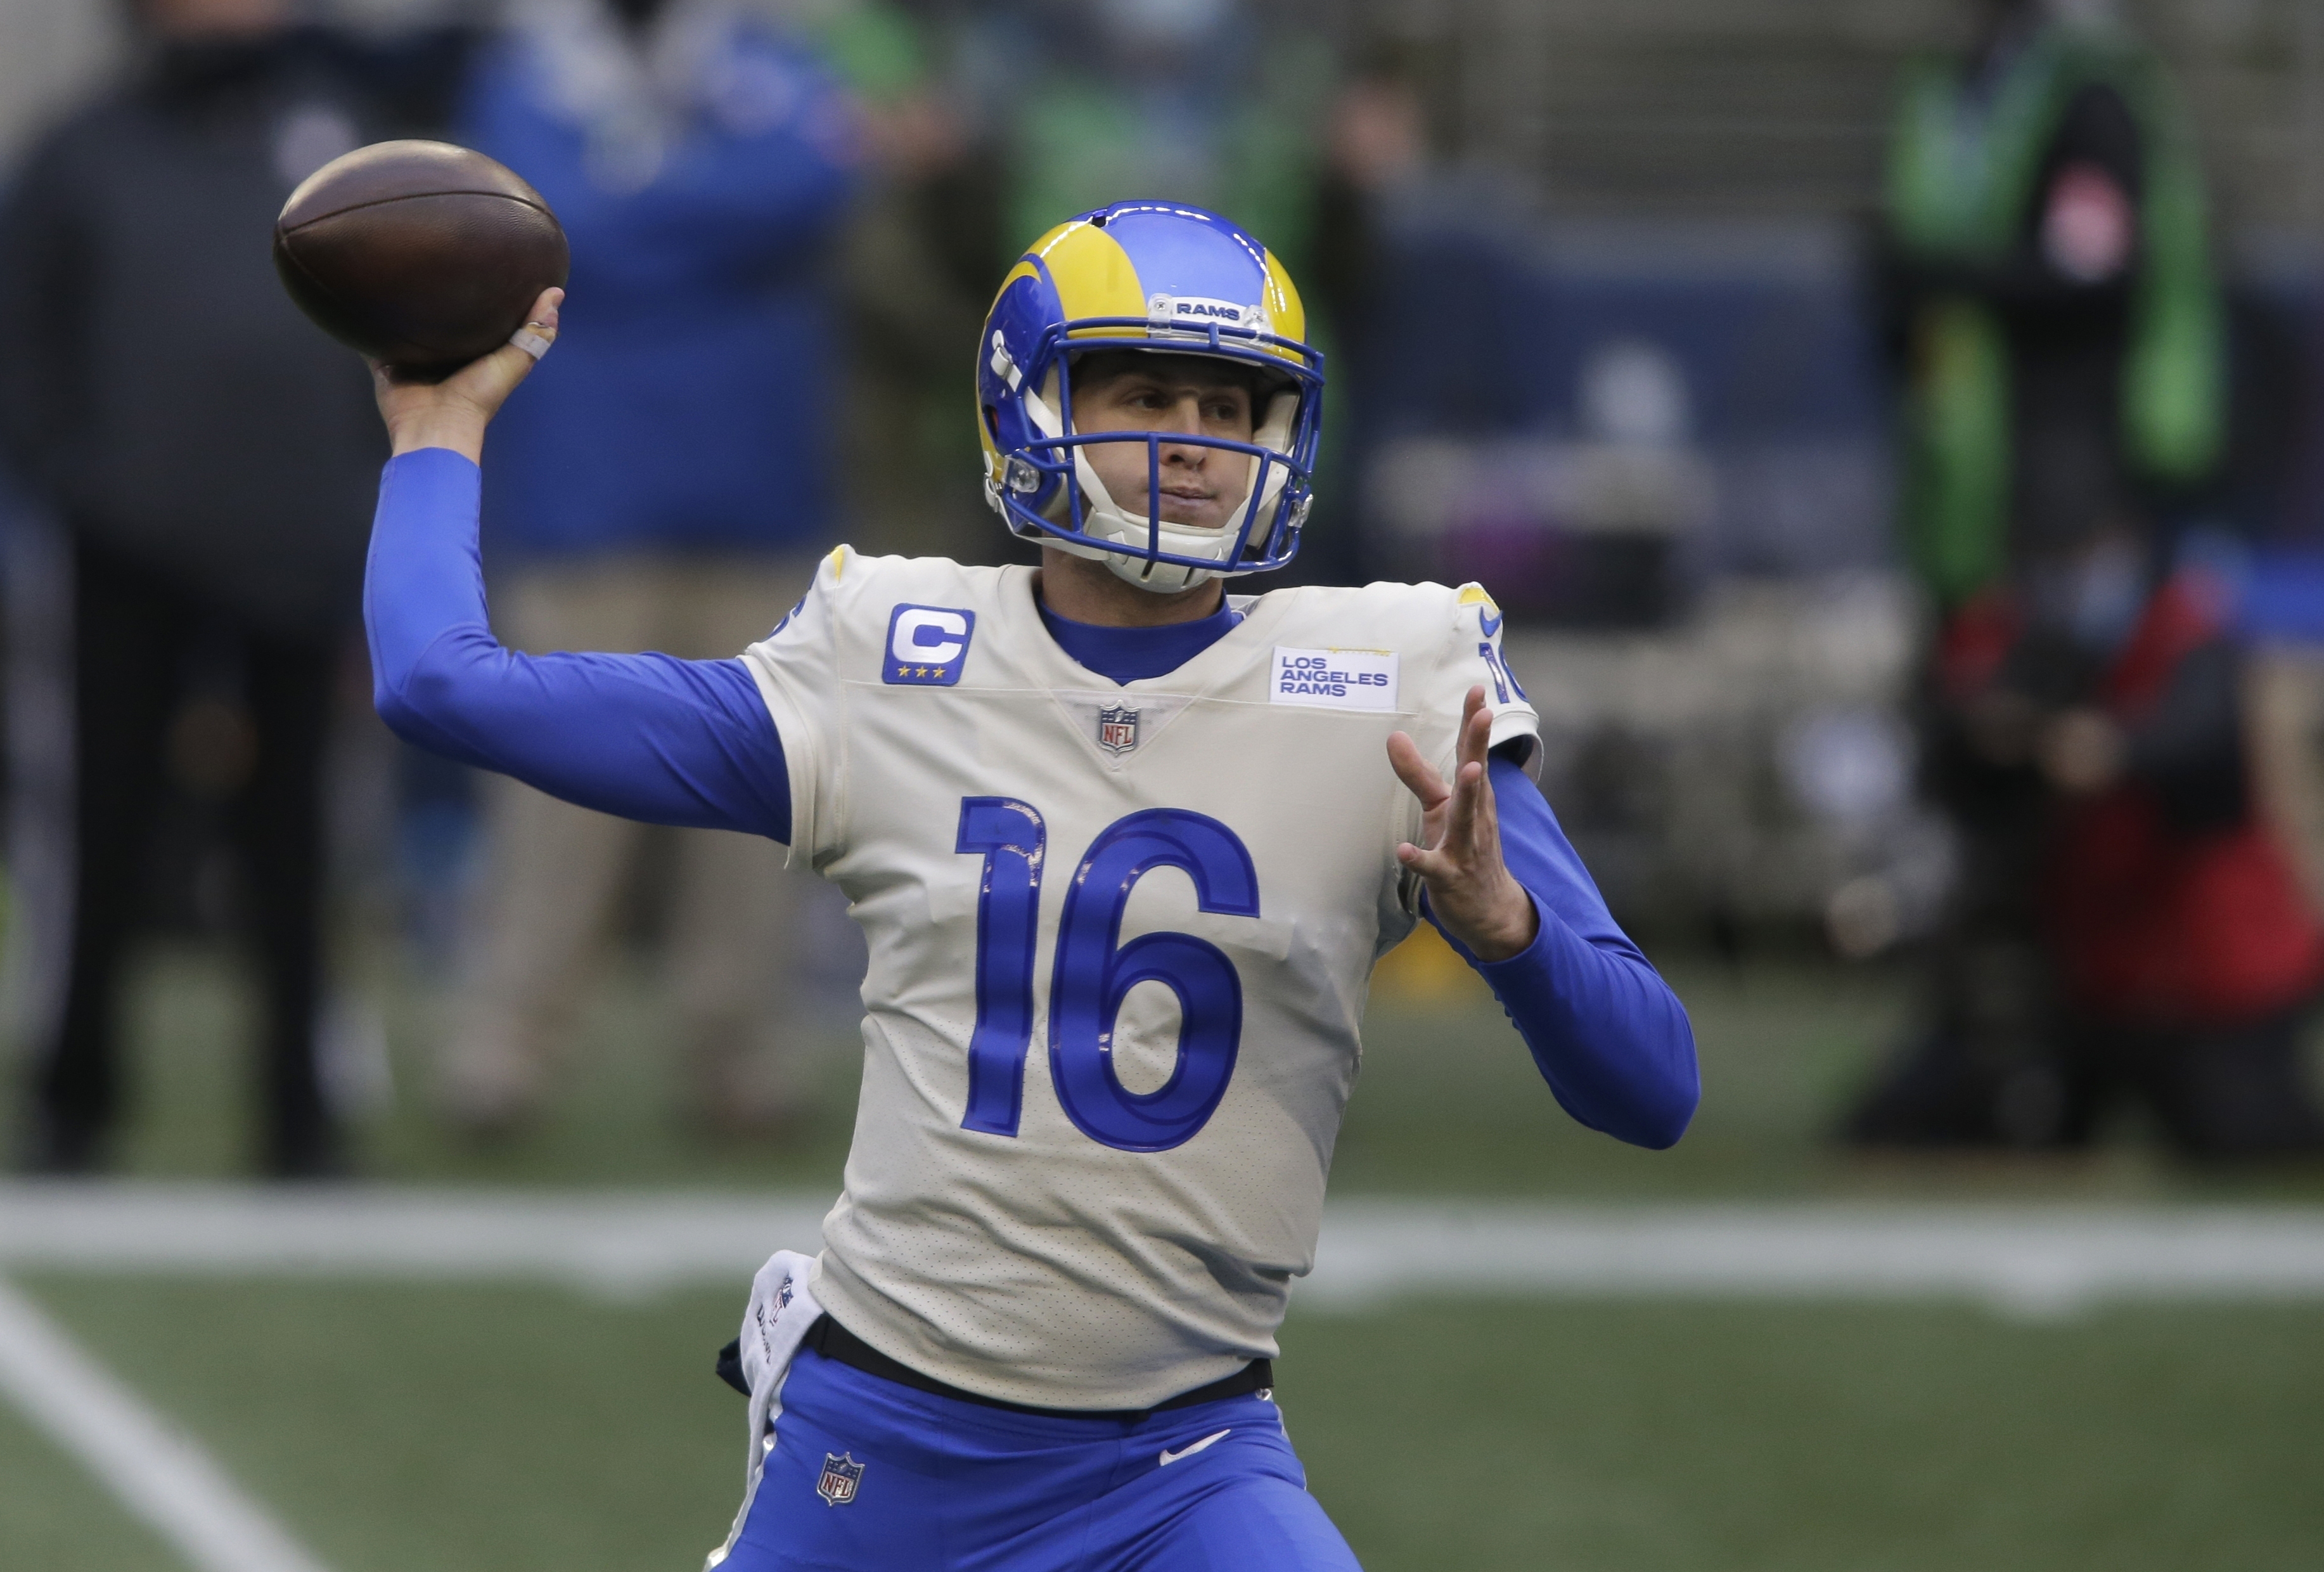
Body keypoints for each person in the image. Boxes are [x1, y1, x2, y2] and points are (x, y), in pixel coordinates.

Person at [365, 203, 1697, 1568]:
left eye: (1232, 404)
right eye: (1145, 393)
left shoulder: (1395, 682)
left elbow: (1652, 1087)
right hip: (885, 1443)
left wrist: (1513, 930)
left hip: (1183, 1460)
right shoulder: (892, 653)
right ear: (1030, 404)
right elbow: (442, 684)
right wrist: (434, 427)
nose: (1192, 438)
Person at [0, 0, 447, 1176]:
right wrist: (89, 484)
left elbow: (410, 326)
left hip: (301, 553)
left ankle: (303, 1114)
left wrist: (369, 500)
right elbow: (24, 342)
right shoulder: (80, 149)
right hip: (124, 554)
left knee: (303, 849)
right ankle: (72, 1103)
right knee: (99, 834)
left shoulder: (347, 143)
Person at [436, 0, 860, 1135]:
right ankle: (506, 1054)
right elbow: (536, 228)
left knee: (761, 798)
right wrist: (707, 214)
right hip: (586, 491)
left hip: (753, 482)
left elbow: (809, 186)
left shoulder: (773, 61)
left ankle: (741, 1062)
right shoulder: (524, 74)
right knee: (551, 797)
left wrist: (632, 199)